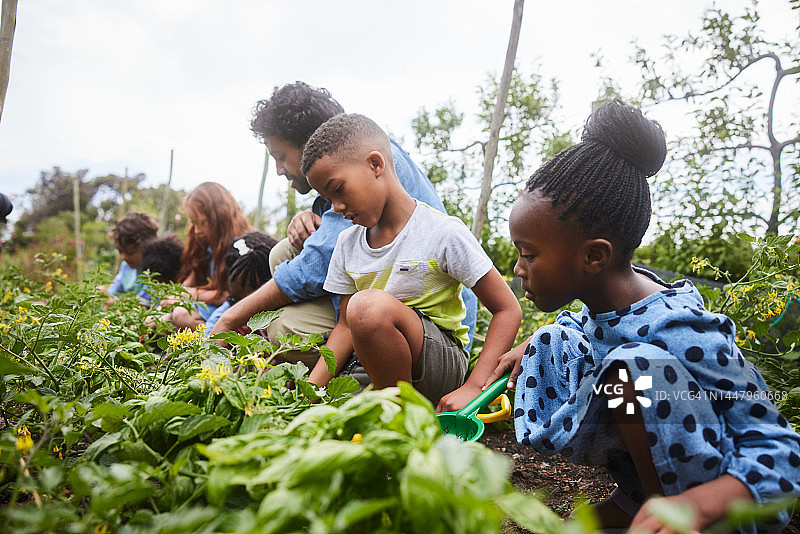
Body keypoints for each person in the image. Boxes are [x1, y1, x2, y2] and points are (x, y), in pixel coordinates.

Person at [483, 99, 800, 533]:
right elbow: (586, 327)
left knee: (632, 371)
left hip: (725, 506)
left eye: (528, 254)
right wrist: (532, 344)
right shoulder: (607, 308)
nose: (518, 269)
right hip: (644, 494)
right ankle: (645, 505)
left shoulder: (681, 331)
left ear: (594, 255)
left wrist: (703, 504)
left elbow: (782, 449)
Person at [209, 81, 479, 366]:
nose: (278, 170)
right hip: (376, 303)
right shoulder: (352, 174)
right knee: (283, 253)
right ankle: (326, 363)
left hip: (427, 328)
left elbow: (316, 264)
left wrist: (232, 318)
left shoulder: (368, 161)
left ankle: (352, 365)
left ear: (310, 142)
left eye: (280, 156)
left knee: (283, 328)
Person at [300, 113, 521, 406]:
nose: (336, 207)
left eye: (338, 189)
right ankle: (387, 405)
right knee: (327, 414)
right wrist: (309, 394)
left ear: (376, 164)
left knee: (366, 307)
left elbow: (507, 309)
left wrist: (474, 387)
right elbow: (344, 327)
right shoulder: (347, 243)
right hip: (376, 365)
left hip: (439, 363)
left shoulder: (442, 232)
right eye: (327, 199)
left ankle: (400, 420)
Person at [165, 182, 254, 328]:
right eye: (194, 224)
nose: (197, 230)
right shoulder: (206, 244)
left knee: (181, 315)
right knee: (163, 319)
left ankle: (208, 345)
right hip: (213, 305)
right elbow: (191, 279)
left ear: (219, 217)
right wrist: (175, 295)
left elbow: (234, 297)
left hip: (234, 308)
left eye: (202, 223)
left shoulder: (242, 247)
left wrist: (192, 294)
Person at [203, 231, 278, 334]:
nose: (244, 308)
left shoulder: (276, 317)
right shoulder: (227, 310)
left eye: (252, 302)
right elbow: (209, 334)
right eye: (239, 301)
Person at [98, 211, 158, 306]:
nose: (124, 257)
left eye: (131, 253)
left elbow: (145, 304)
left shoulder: (157, 269)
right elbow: (113, 290)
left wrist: (112, 301)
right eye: (120, 251)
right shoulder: (126, 267)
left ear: (148, 248)